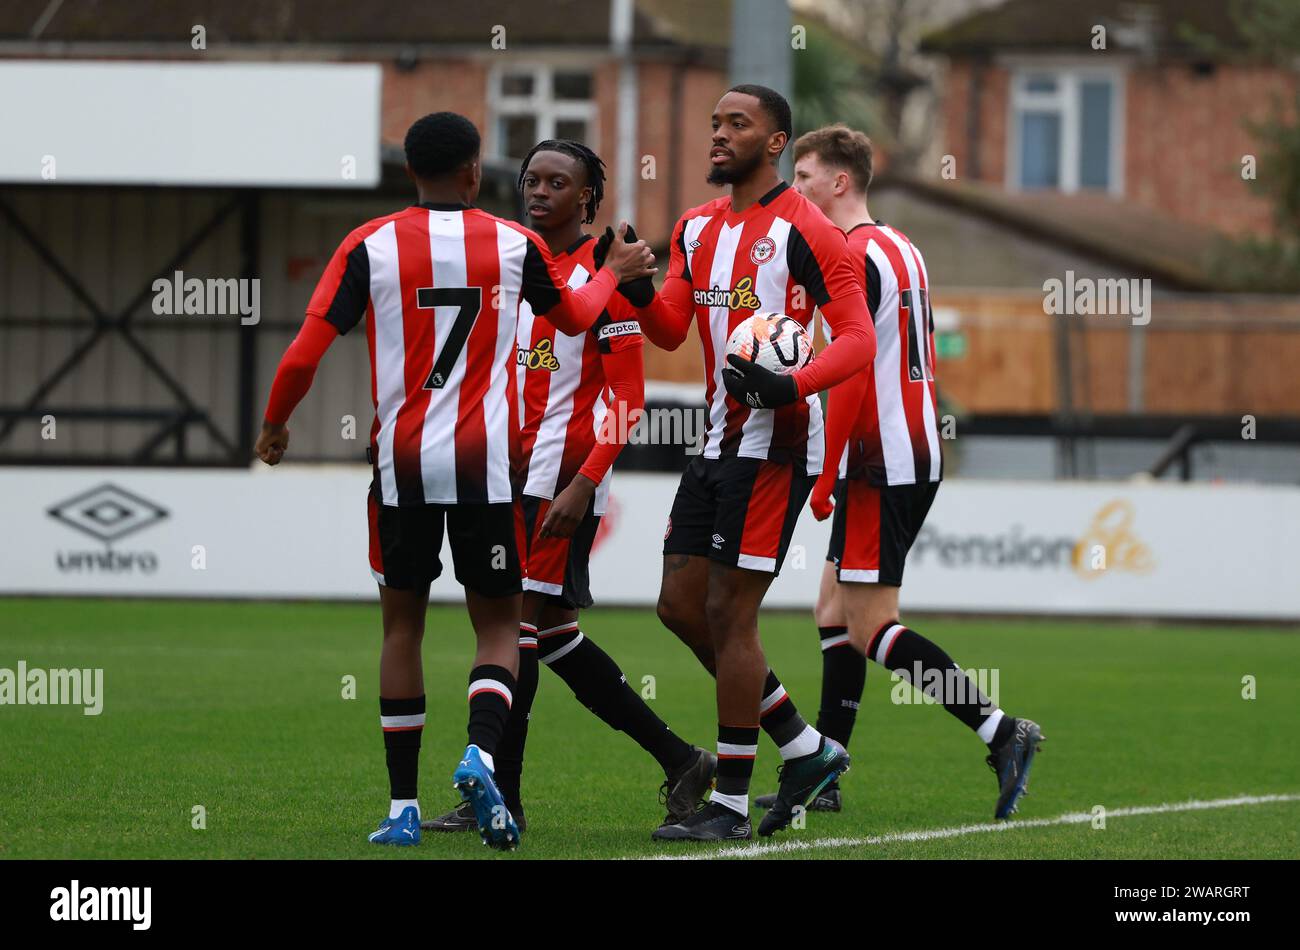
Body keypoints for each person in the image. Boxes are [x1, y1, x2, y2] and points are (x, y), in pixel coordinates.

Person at [254, 112, 655, 850]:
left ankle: (402, 806)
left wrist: (277, 423)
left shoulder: (367, 245)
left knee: (401, 628)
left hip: (401, 465)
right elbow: (572, 319)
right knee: (502, 626)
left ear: (410, 171)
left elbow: (304, 354)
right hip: (487, 466)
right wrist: (611, 274)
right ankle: (480, 754)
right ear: (477, 172)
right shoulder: (515, 244)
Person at [421, 139, 716, 837]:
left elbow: (628, 394)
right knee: (546, 632)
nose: (540, 191)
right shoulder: (517, 261)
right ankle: (681, 759)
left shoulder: (604, 271)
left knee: (515, 628)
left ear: (588, 196)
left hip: (561, 479)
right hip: (505, 473)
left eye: (558, 182)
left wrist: (584, 485)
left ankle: (497, 795)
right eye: (532, 179)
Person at [753, 123, 1042, 820]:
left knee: (871, 625)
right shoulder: (900, 244)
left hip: (878, 456)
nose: (797, 190)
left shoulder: (847, 255)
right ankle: (825, 772)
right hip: (912, 447)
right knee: (832, 610)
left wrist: (825, 479)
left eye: (805, 176)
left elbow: (852, 374)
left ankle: (1001, 730)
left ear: (840, 183)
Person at [633, 84, 878, 841]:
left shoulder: (810, 231)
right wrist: (636, 284)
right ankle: (805, 749)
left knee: (729, 615)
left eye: (736, 124)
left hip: (774, 447)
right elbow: (671, 330)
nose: (718, 135)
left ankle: (732, 806)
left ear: (775, 143)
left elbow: (858, 338)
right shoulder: (696, 227)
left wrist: (790, 382)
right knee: (679, 606)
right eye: (714, 123)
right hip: (714, 444)